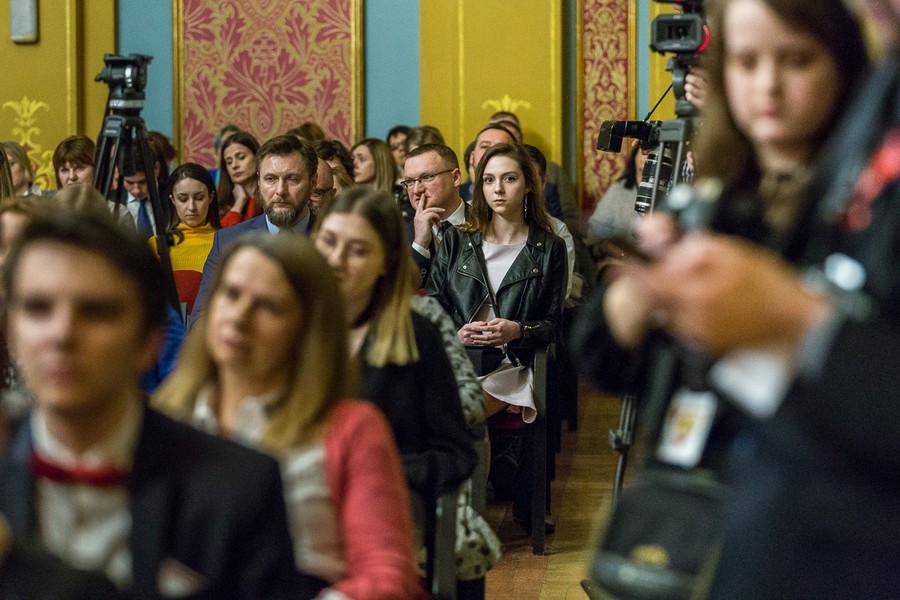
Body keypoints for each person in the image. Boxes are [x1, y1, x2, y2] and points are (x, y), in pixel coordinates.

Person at [572, 0, 879, 597]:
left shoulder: (863, 208)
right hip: (700, 524)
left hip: (830, 535)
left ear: (843, 69)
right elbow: (602, 359)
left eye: (795, 60)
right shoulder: (712, 200)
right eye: (745, 61)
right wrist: (641, 293)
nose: (767, 85)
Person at [0, 211, 320, 598]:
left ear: (150, 341)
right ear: (12, 333)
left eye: (96, 311)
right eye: (37, 308)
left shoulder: (238, 488)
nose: (62, 334)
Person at [154, 232, 422, 599]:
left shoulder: (350, 427)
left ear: (306, 330)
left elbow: (385, 575)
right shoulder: (168, 415)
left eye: (267, 306)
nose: (239, 316)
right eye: (230, 294)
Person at [314, 188, 476, 542]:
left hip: (386, 507)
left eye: (357, 250)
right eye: (328, 241)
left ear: (386, 261)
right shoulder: (292, 326)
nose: (336, 259)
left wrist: (379, 472)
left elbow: (455, 455)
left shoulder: (417, 334)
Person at [425, 142, 567, 527]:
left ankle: (460, 521)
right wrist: (457, 332)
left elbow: (555, 324)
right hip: (458, 357)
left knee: (462, 412)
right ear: (479, 188)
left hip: (513, 364)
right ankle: (451, 519)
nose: (498, 189)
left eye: (509, 178)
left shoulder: (548, 248)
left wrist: (516, 329)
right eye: (489, 180)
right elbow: (434, 304)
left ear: (528, 186)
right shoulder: (456, 240)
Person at [190, 134, 319, 327]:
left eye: (292, 179)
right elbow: (200, 322)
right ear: (259, 181)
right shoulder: (227, 242)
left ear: (313, 182)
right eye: (271, 179)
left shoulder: (333, 242)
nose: (280, 190)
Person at [151, 163, 222, 319]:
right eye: (183, 199)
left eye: (199, 197)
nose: (191, 207)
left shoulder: (226, 241)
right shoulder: (156, 245)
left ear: (210, 197)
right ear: (172, 200)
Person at [401, 143, 466, 286]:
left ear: (455, 178)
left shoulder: (488, 222)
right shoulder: (398, 237)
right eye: (410, 182)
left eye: (427, 177)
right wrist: (420, 244)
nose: (417, 190)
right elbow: (402, 293)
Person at [217, 130, 261, 227]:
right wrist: (239, 202)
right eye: (229, 162)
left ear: (257, 157)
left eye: (241, 157)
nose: (234, 165)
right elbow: (224, 237)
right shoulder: (221, 203)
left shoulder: (270, 198)